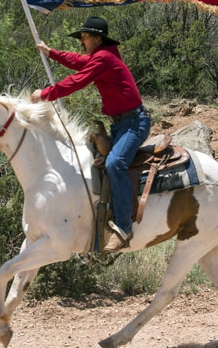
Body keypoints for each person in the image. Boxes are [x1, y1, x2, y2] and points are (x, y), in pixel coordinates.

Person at [31, 16, 151, 252]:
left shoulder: (105, 58)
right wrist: (50, 52)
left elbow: (77, 80)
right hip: (121, 124)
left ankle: (124, 227)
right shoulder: (102, 57)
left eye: (84, 37)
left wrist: (44, 95)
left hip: (134, 123)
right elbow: (78, 61)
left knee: (115, 164)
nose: (81, 41)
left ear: (97, 38)